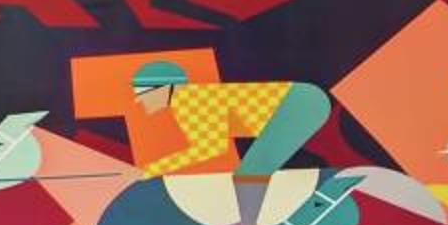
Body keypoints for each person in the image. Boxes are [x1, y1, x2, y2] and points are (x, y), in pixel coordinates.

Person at [125, 59, 330, 179]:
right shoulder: (188, 100)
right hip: (303, 100)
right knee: (252, 170)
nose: (138, 99)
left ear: (165, 88)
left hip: (299, 104)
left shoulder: (192, 101)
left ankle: (247, 223)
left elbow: (210, 148)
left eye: (142, 92)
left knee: (250, 172)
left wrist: (149, 170)